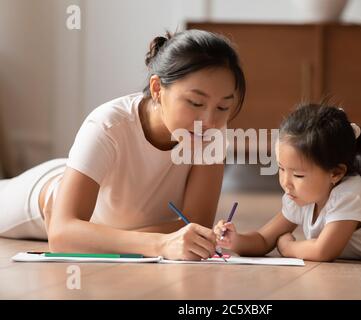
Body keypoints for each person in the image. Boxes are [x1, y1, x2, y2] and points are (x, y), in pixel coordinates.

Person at [0, 29, 246, 261]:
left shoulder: (210, 133)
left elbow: (195, 224)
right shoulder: (108, 124)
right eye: (195, 102)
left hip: (105, 201)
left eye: (223, 107)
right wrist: (160, 244)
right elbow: (62, 234)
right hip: (43, 193)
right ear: (157, 88)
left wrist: (107, 237)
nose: (209, 121)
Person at [215, 103, 361, 262]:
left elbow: (323, 251)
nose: (286, 182)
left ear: (336, 173)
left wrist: (287, 247)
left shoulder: (351, 193)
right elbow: (264, 239)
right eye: (281, 169)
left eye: (298, 175)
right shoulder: (302, 196)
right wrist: (235, 240)